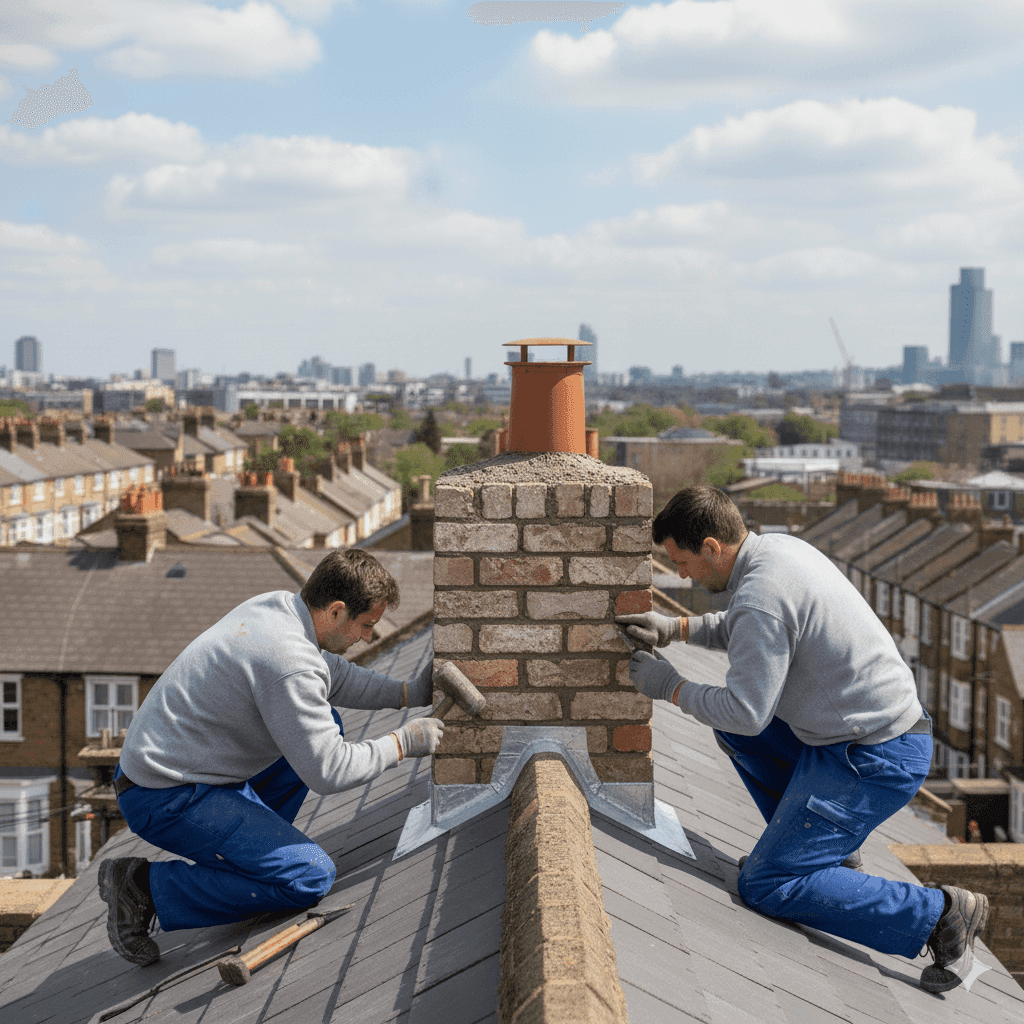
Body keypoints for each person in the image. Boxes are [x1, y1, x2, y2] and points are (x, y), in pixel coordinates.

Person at [617, 486, 989, 994]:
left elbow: (748, 711)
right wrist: (677, 628)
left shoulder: (762, 595)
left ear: (710, 547)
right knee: (730, 728)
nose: (681, 575)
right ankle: (826, 859)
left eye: (683, 563)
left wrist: (671, 687)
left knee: (765, 885)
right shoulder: (776, 554)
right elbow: (747, 628)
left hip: (875, 758)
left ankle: (939, 914)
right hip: (857, 736)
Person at [99, 548, 443, 967]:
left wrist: (408, 693)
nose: (369, 637)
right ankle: (142, 888)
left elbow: (331, 677)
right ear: (336, 611)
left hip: (184, 768)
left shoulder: (282, 609)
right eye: (366, 625)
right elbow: (330, 771)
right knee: (309, 877)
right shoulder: (286, 660)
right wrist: (404, 742)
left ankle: (256, 856)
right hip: (165, 795)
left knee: (322, 719)